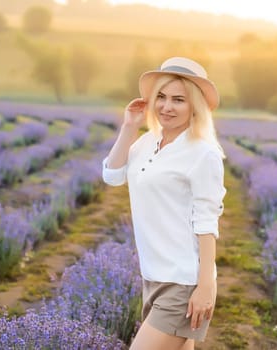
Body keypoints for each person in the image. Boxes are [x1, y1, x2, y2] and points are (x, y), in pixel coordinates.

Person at [102, 57, 226, 350]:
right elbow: (112, 175)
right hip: (153, 275)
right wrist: (130, 126)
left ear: (195, 105)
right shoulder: (148, 142)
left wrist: (205, 286)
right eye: (161, 97)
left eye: (178, 100)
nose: (167, 107)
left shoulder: (202, 153)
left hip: (183, 281)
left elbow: (206, 222)